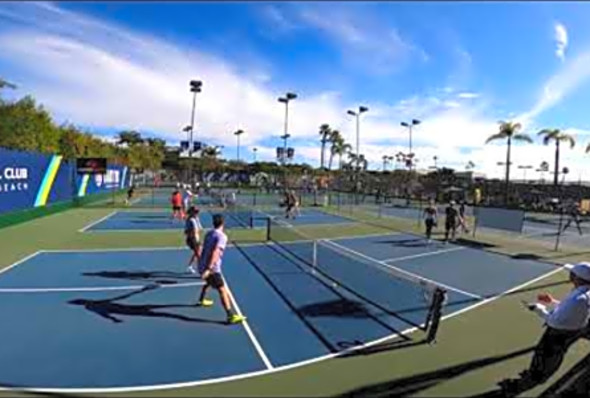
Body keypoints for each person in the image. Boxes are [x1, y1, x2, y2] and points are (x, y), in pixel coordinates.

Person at [500, 262, 590, 394]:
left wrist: (538, 309)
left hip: (558, 335)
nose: (570, 274)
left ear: (578, 278)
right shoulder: (584, 293)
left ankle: (517, 387)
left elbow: (554, 322)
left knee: (543, 364)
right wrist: (553, 302)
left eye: (573, 273)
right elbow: (571, 311)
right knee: (548, 360)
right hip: (575, 329)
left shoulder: (578, 299)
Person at [196, 214, 246, 324]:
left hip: (203, 265)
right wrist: (209, 269)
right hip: (212, 268)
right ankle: (230, 316)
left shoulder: (209, 233)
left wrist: (201, 265)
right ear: (223, 223)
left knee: (209, 283)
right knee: (222, 290)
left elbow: (203, 250)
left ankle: (201, 300)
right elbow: (216, 252)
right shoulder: (222, 237)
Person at [185, 206, 203, 274]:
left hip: (196, 238)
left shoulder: (196, 219)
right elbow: (186, 231)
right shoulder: (190, 220)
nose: (197, 213)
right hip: (192, 239)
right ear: (192, 212)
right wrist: (191, 233)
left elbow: (200, 228)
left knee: (197, 253)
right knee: (199, 255)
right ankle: (201, 270)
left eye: (197, 212)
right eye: (195, 212)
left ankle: (189, 266)